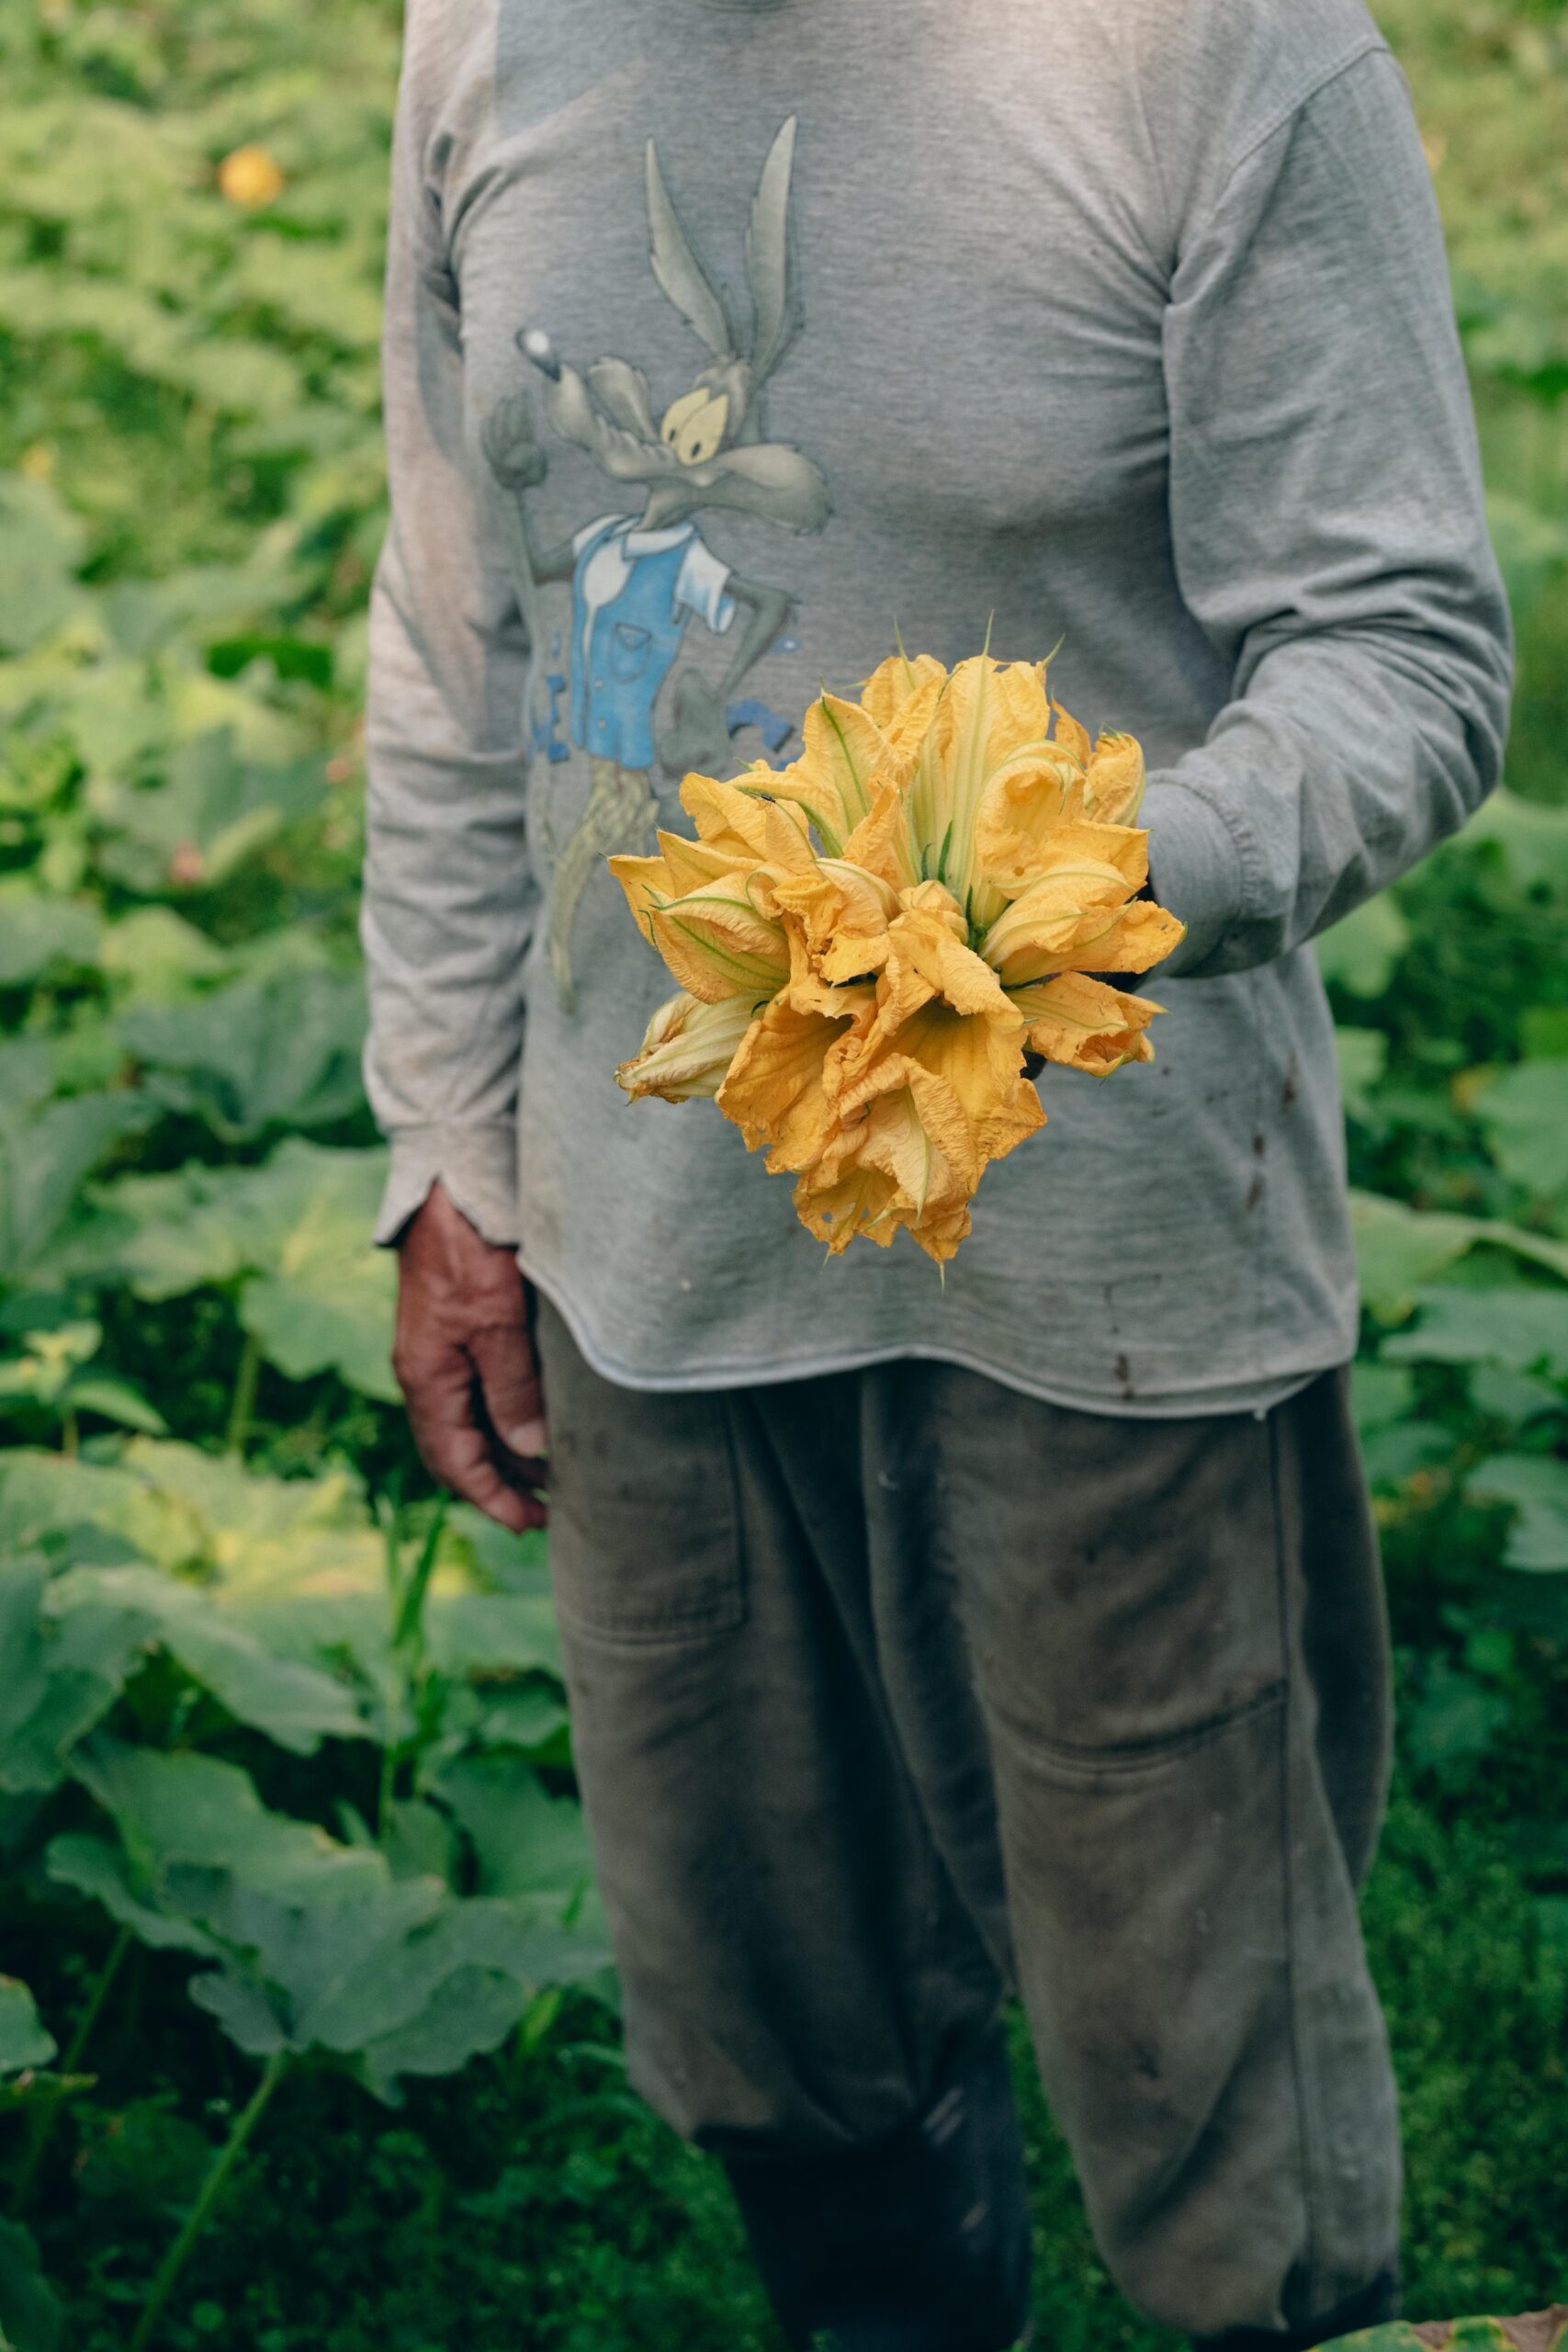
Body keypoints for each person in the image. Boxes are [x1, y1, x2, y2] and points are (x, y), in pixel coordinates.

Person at [363, 0, 1512, 2345]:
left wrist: (1058, 881)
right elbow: (467, 632)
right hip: (647, 1258)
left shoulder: (1221, 56)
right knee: (790, 2077)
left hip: (1099, 1282)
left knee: (1219, 2129)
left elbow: (1397, 644)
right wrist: (451, 1152)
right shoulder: (483, 31)